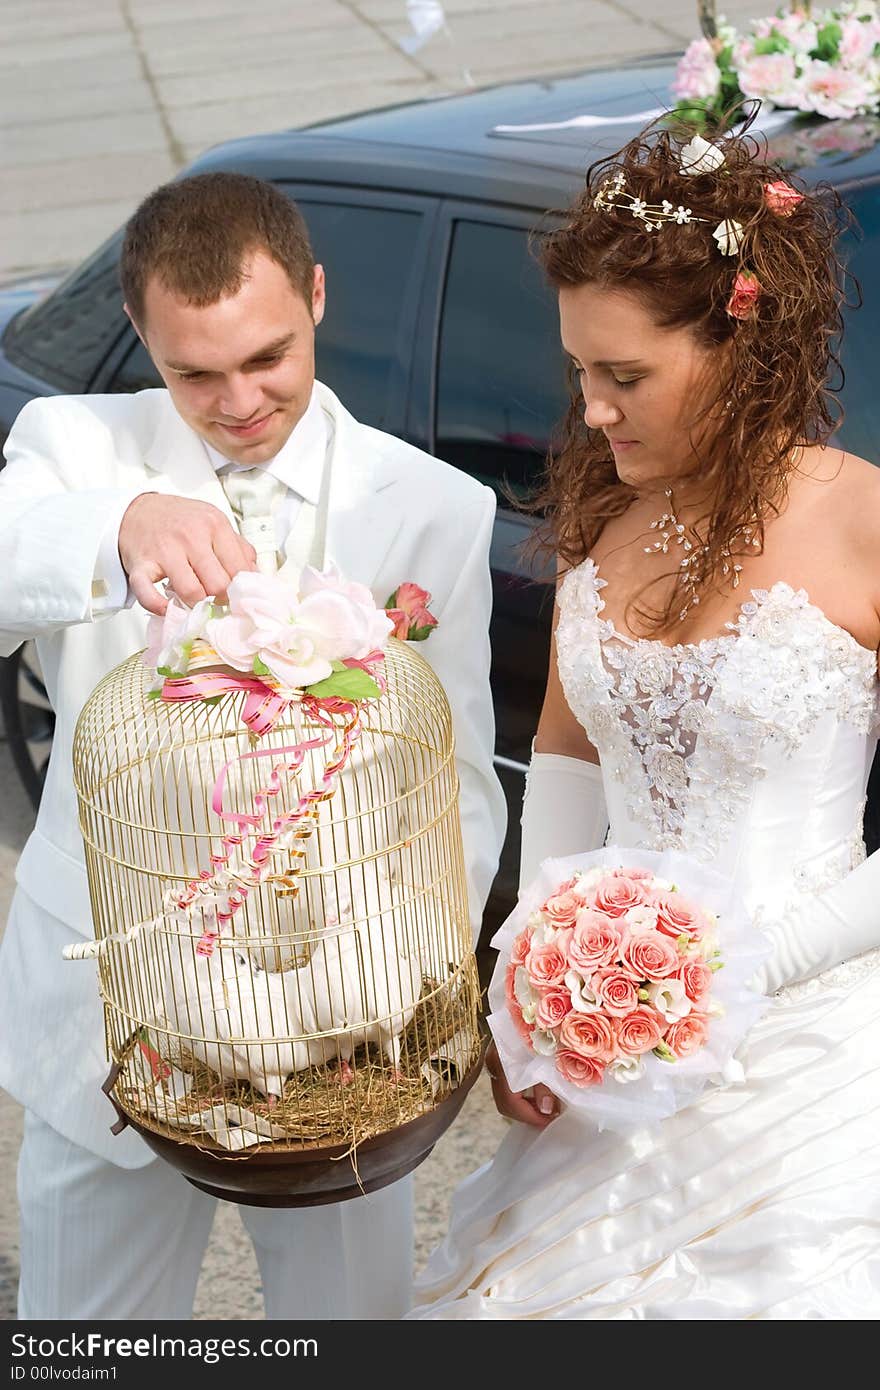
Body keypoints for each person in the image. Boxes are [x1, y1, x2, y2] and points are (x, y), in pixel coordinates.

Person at [0, 171, 506, 1321]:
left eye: (267, 357)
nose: (237, 400)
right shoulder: (76, 443)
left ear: (317, 295)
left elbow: (458, 777)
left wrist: (407, 998)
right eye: (194, 373)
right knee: (89, 1336)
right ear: (141, 334)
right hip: (114, 1024)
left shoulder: (437, 505)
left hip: (343, 1018)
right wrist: (116, 524)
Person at [411, 121, 880, 1319]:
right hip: (613, 1063)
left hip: (811, 1059)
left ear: (742, 341)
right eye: (580, 372)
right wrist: (536, 1000)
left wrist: (737, 970)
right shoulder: (604, 522)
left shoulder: (861, 521)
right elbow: (567, 758)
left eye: (626, 376)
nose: (595, 409)